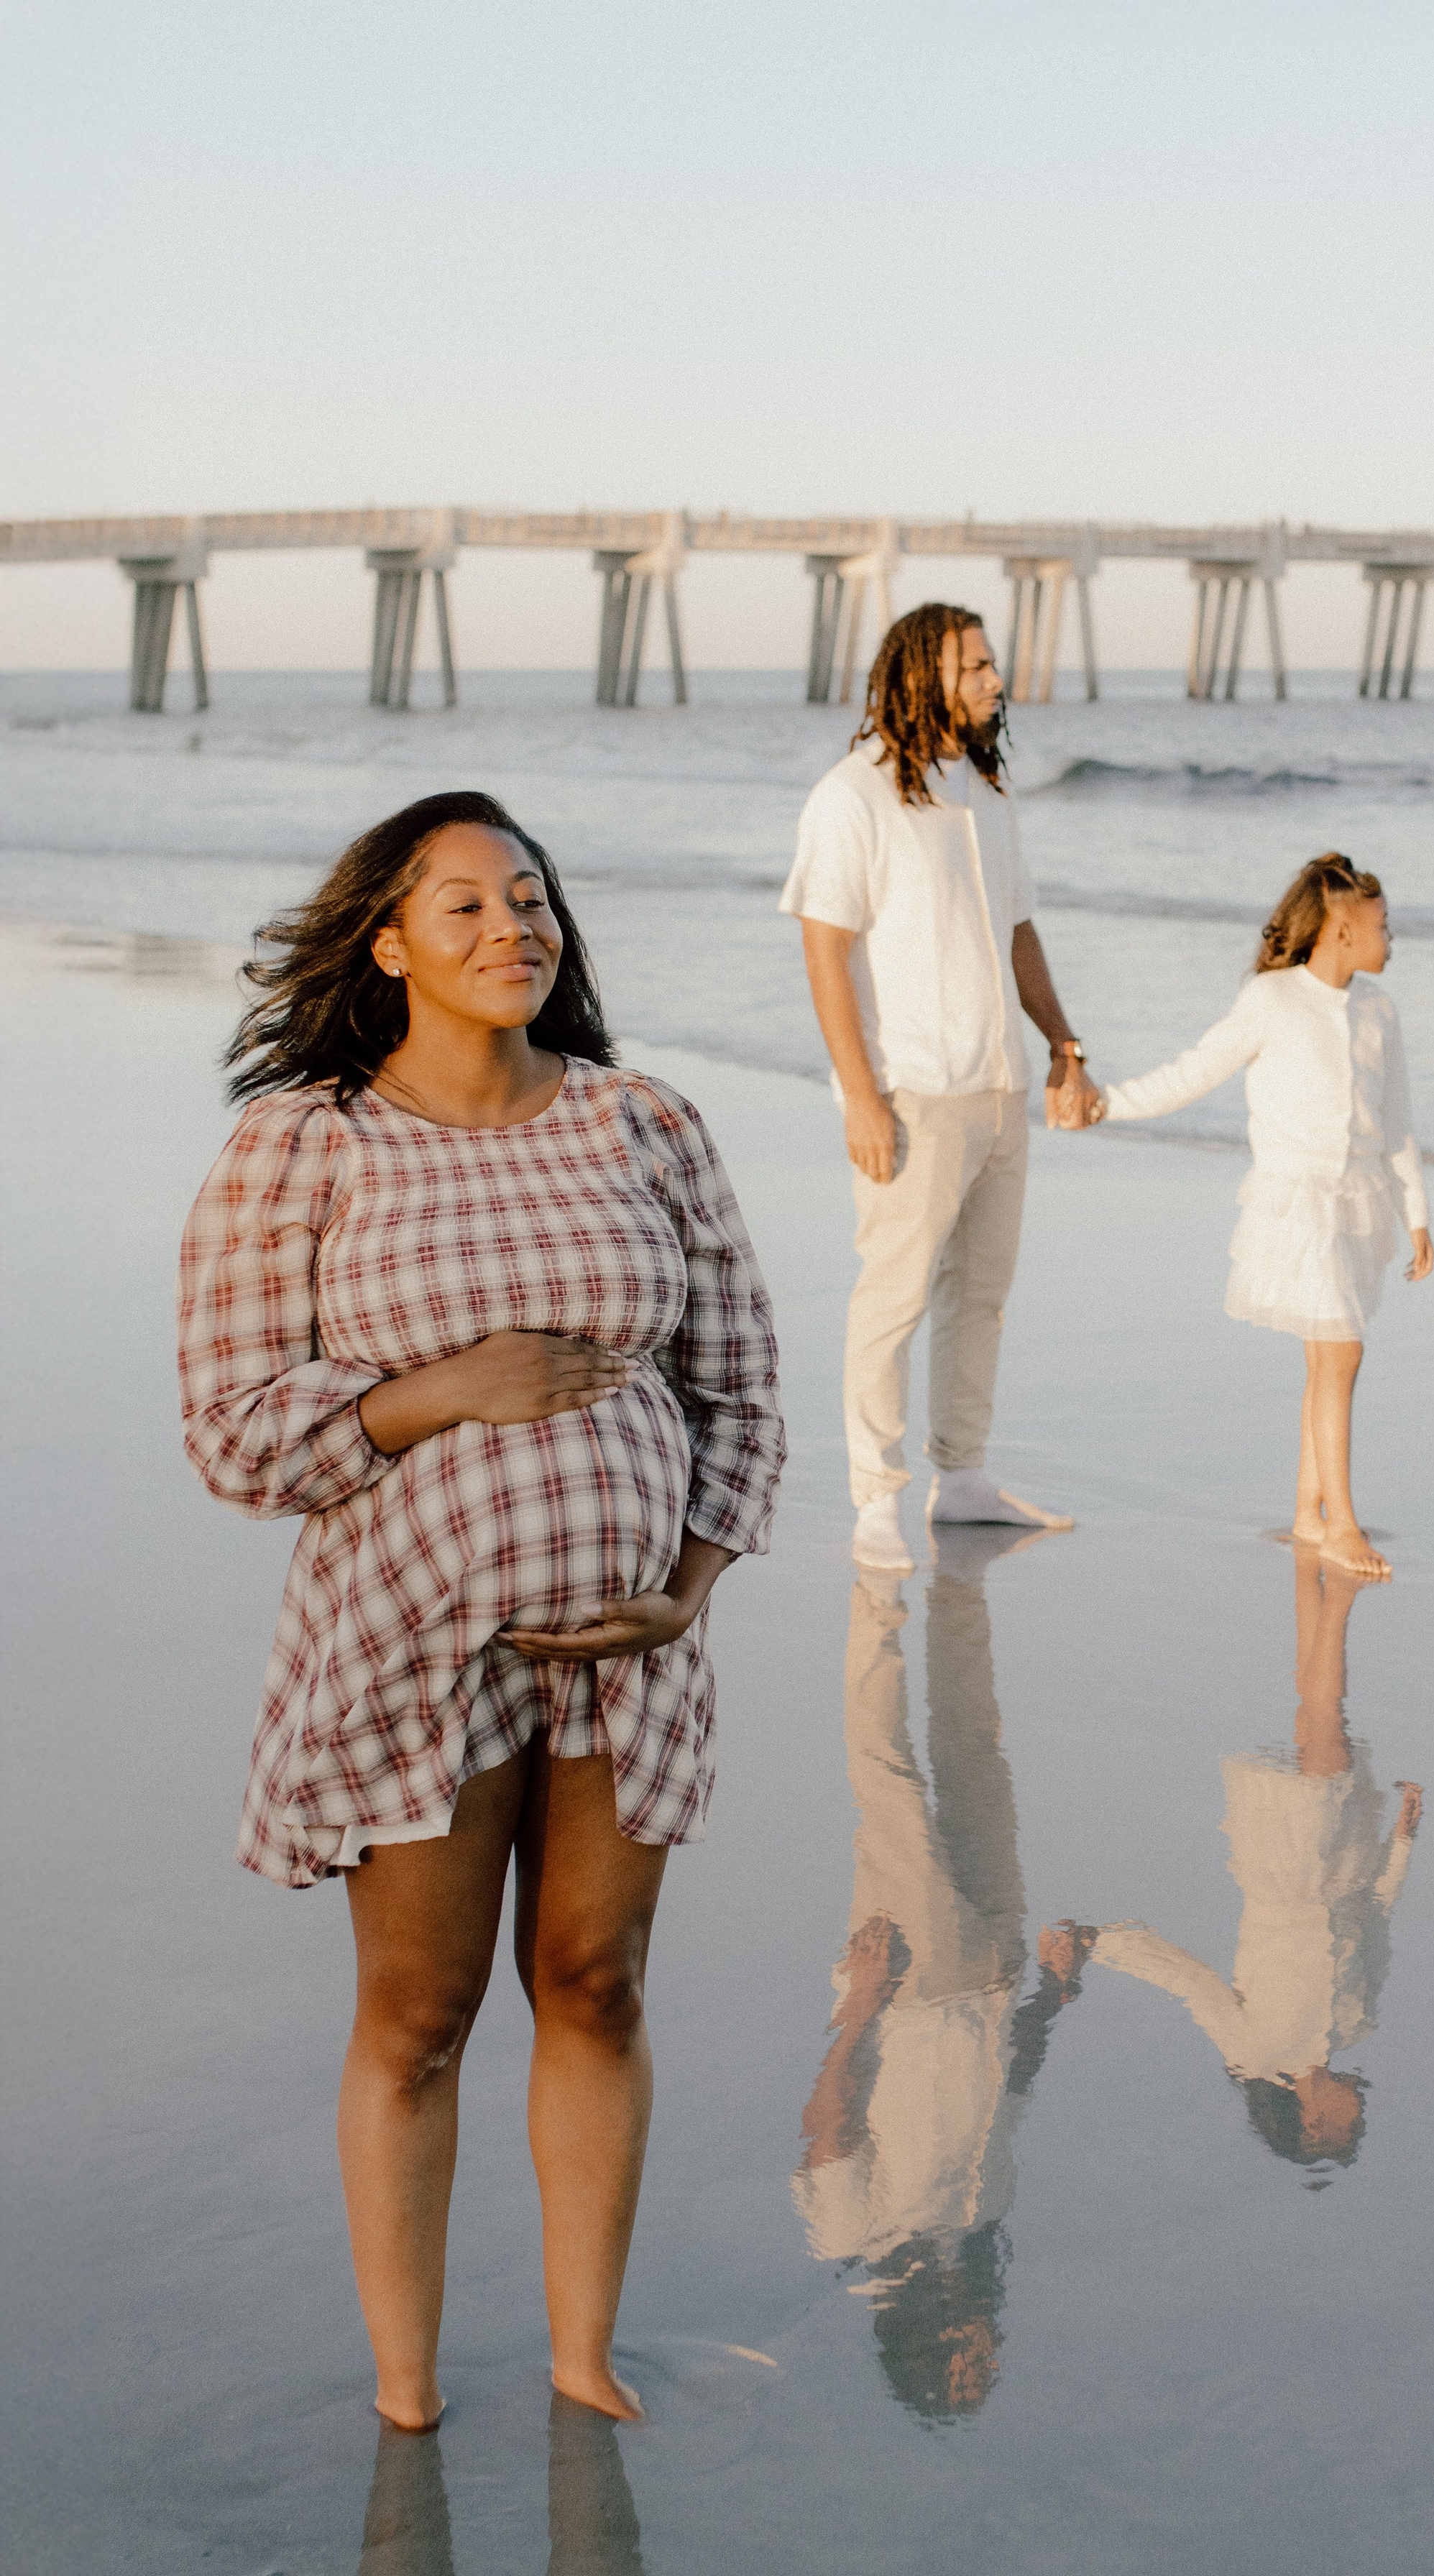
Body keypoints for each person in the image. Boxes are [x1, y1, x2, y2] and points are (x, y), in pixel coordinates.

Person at [177, 788, 784, 2432]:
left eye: (530, 900)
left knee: (595, 1987)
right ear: (386, 944)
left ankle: (582, 2356)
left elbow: (739, 1383)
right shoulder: (303, 1147)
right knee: (422, 2016)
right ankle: (408, 2386)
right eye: (463, 907)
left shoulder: (643, 1123)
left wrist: (687, 1593)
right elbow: (235, 1431)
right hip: (406, 1655)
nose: (513, 928)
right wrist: (445, 1390)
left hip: (625, 1659)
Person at [779, 602, 1104, 1576]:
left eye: (992, 665)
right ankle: (877, 1498)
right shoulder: (853, 797)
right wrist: (862, 1096)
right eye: (975, 667)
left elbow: (1019, 932)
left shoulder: (990, 795)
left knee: (984, 1295)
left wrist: (1064, 1044)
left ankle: (961, 1480)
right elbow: (825, 949)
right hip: (911, 1092)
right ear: (922, 674)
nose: (995, 682)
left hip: (1000, 1087)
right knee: (893, 1297)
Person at [792, 1527, 1091, 2418]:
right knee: (978, 1755)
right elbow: (1012, 2090)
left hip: (908, 1984)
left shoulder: (853, 2241)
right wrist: (1055, 1991)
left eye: (965, 2369)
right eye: (985, 2370)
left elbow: (827, 2122)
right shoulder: (979, 2217)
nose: (985, 2353)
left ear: (922, 2347)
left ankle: (875, 1591)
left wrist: (860, 2002)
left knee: (887, 1779)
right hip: (996, 1969)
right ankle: (960, 1590)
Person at [1100, 853, 1434, 1577]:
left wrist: (1416, 1210)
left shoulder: (1379, 1009)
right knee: (1342, 1352)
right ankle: (1342, 1523)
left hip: (1358, 1203)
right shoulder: (1271, 999)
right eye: (1381, 924)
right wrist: (1106, 1102)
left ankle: (1307, 1516)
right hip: (1298, 1205)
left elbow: (1398, 1116)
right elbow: (1193, 1070)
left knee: (1328, 1356)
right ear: (1341, 930)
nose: (1391, 936)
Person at [1075, 1550, 1423, 2181]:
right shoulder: (1357, 2025)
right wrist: (1403, 1840)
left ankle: (1339, 1593)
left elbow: (1190, 1982)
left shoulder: (1254, 2052)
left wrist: (1102, 1942)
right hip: (1345, 1868)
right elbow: (1376, 1915)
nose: (1361, 2111)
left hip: (1284, 1874)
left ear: (1313, 2121)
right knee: (1314, 1722)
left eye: (1351, 2123)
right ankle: (1309, 1562)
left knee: (1326, 1730)